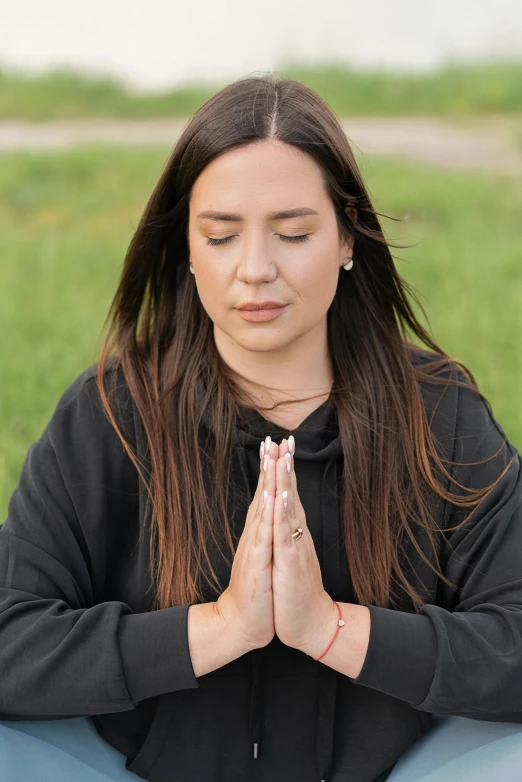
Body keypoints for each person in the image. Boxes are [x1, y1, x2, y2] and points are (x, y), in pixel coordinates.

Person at [1, 73, 522, 782]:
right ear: (186, 246)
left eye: (294, 233)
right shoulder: (109, 415)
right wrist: (220, 629)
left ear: (346, 236)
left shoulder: (440, 415)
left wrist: (330, 628)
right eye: (220, 235)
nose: (255, 270)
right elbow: (11, 637)